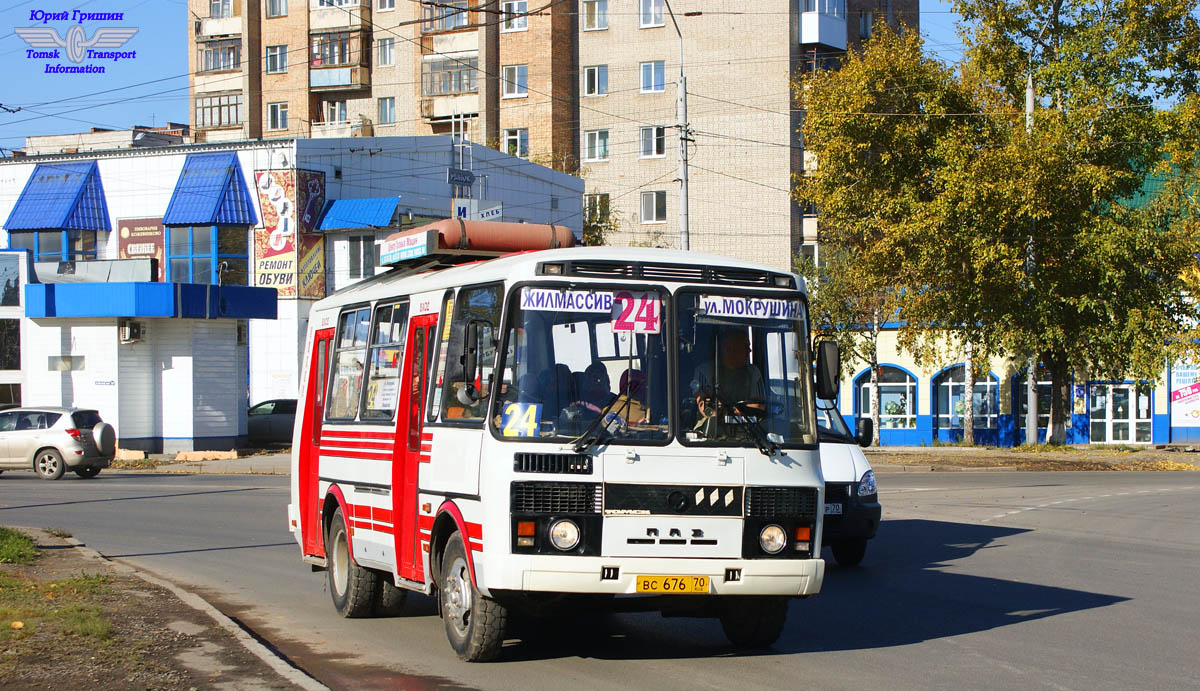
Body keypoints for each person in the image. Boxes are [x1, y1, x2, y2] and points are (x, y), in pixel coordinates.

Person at [693, 328, 764, 417]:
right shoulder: (704, 371)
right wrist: (741, 410)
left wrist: (726, 410)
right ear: (728, 349)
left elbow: (758, 406)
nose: (749, 351)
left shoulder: (753, 372)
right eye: (745, 346)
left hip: (751, 429)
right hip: (711, 429)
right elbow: (707, 410)